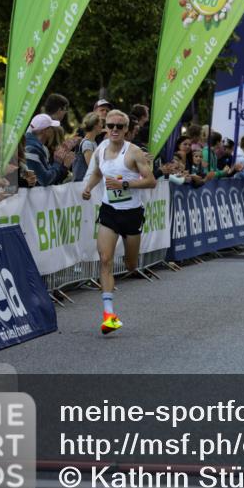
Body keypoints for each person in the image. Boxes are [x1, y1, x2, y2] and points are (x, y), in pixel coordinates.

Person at [81, 110, 157, 334]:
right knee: (105, 260)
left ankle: (129, 263)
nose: (114, 129)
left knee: (131, 265)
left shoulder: (133, 152)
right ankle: (109, 315)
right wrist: (88, 188)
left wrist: (125, 185)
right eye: (110, 125)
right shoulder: (101, 149)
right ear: (105, 127)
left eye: (119, 126)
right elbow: (98, 172)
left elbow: (151, 181)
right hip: (110, 212)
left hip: (132, 214)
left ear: (126, 130)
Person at [25, 114, 73, 186]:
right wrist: (58, 163)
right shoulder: (32, 149)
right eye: (51, 128)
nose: (53, 130)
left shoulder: (35, 146)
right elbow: (45, 180)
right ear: (44, 131)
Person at [71, 112, 103, 181]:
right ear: (95, 126)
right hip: (83, 183)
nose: (102, 126)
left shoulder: (93, 142)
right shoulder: (87, 144)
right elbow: (92, 167)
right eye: (101, 124)